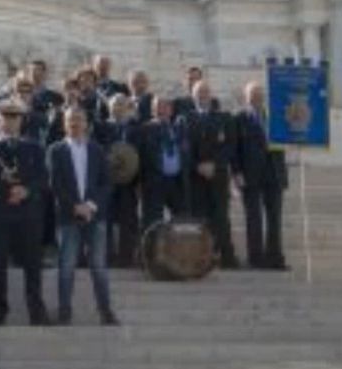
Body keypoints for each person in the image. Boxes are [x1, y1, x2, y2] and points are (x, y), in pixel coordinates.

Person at [0, 101, 50, 326]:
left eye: (14, 117)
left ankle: (36, 313)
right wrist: (7, 192)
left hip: (28, 214)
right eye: (5, 117)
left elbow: (42, 178)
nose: (9, 121)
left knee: (33, 265)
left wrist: (26, 191)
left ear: (21, 120)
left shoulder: (34, 147)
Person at [49, 107, 118, 326]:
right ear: (64, 124)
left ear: (86, 123)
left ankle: (105, 312)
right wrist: (75, 207)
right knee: (66, 266)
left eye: (79, 119)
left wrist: (90, 206)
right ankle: (64, 312)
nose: (75, 124)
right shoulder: (56, 150)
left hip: (95, 216)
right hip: (68, 217)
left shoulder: (97, 150)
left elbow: (106, 183)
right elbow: (55, 185)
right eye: (70, 120)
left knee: (99, 266)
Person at [178, 80, 239, 269]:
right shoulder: (184, 119)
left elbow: (231, 145)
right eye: (199, 92)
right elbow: (183, 147)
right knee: (198, 217)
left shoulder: (224, 117)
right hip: (195, 177)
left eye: (205, 92)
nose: (202, 95)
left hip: (218, 175)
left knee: (221, 216)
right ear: (193, 96)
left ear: (211, 95)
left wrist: (215, 164)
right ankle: (199, 258)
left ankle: (226, 257)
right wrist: (197, 166)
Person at [233, 82, 289, 270]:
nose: (257, 97)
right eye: (253, 94)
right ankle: (255, 258)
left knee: (274, 218)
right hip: (250, 174)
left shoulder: (276, 116)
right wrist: (236, 172)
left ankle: (275, 258)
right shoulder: (240, 118)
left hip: (274, 172)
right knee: (253, 218)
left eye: (259, 94)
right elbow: (235, 149)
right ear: (246, 97)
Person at [98, 94, 144, 268]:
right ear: (109, 107)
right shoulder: (101, 127)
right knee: (106, 218)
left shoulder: (136, 129)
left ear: (127, 107)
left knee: (128, 219)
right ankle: (106, 256)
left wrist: (139, 180)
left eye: (122, 104)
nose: (118, 107)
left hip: (129, 181)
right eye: (115, 104)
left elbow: (141, 154)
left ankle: (126, 257)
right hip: (107, 180)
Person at [139, 97, 190, 228]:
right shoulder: (145, 129)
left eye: (165, 107)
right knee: (153, 223)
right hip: (155, 182)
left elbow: (185, 152)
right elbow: (140, 158)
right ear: (152, 111)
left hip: (177, 182)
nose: (161, 110)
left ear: (171, 110)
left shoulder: (178, 129)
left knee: (181, 221)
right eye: (158, 107)